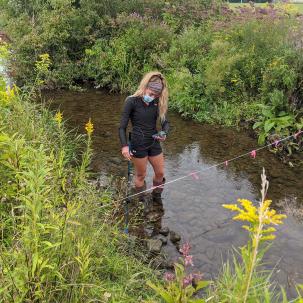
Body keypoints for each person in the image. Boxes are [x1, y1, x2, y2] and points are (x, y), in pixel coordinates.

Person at [118, 71, 169, 202]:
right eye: (151, 94)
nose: (153, 97)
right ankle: (141, 200)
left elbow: (165, 123)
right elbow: (122, 127)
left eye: (156, 95)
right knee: (141, 175)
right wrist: (124, 146)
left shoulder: (158, 102)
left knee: (160, 173)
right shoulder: (131, 101)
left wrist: (164, 133)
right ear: (145, 87)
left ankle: (156, 198)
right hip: (138, 144)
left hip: (153, 142)